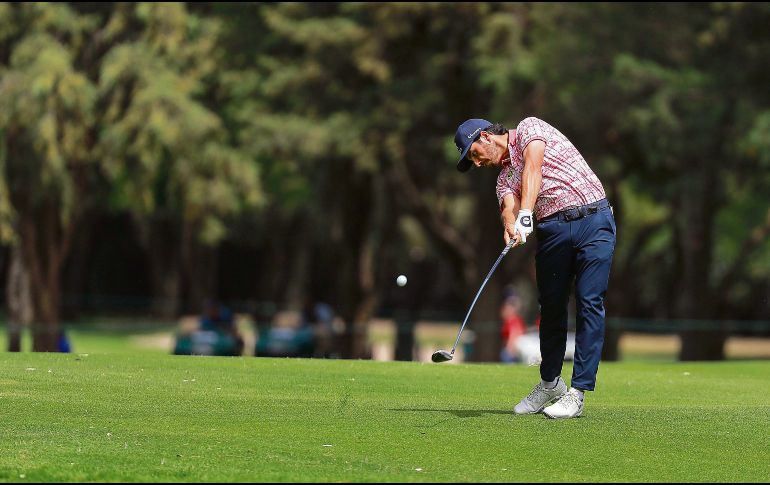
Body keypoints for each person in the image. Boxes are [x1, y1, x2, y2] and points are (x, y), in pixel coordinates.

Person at [453, 117, 616, 419]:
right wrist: (511, 226)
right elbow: (508, 207)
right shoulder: (503, 179)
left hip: (594, 221)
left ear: (486, 137)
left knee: (589, 301)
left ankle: (577, 393)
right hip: (553, 231)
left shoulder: (530, 128)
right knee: (551, 308)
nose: (477, 163)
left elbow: (533, 166)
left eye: (474, 154)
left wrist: (526, 212)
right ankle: (550, 383)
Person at [499, 286, 526, 363]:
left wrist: (509, 350)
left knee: (504, 356)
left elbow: (514, 335)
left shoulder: (513, 320)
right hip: (511, 350)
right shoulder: (509, 321)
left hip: (513, 352)